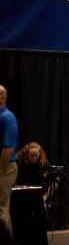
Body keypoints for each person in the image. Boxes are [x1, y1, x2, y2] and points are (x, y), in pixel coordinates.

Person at [0, 85, 18, 236]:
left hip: (6, 167)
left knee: (1, 210)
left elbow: (9, 147)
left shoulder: (7, 117)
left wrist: (1, 169)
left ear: (2, 97)